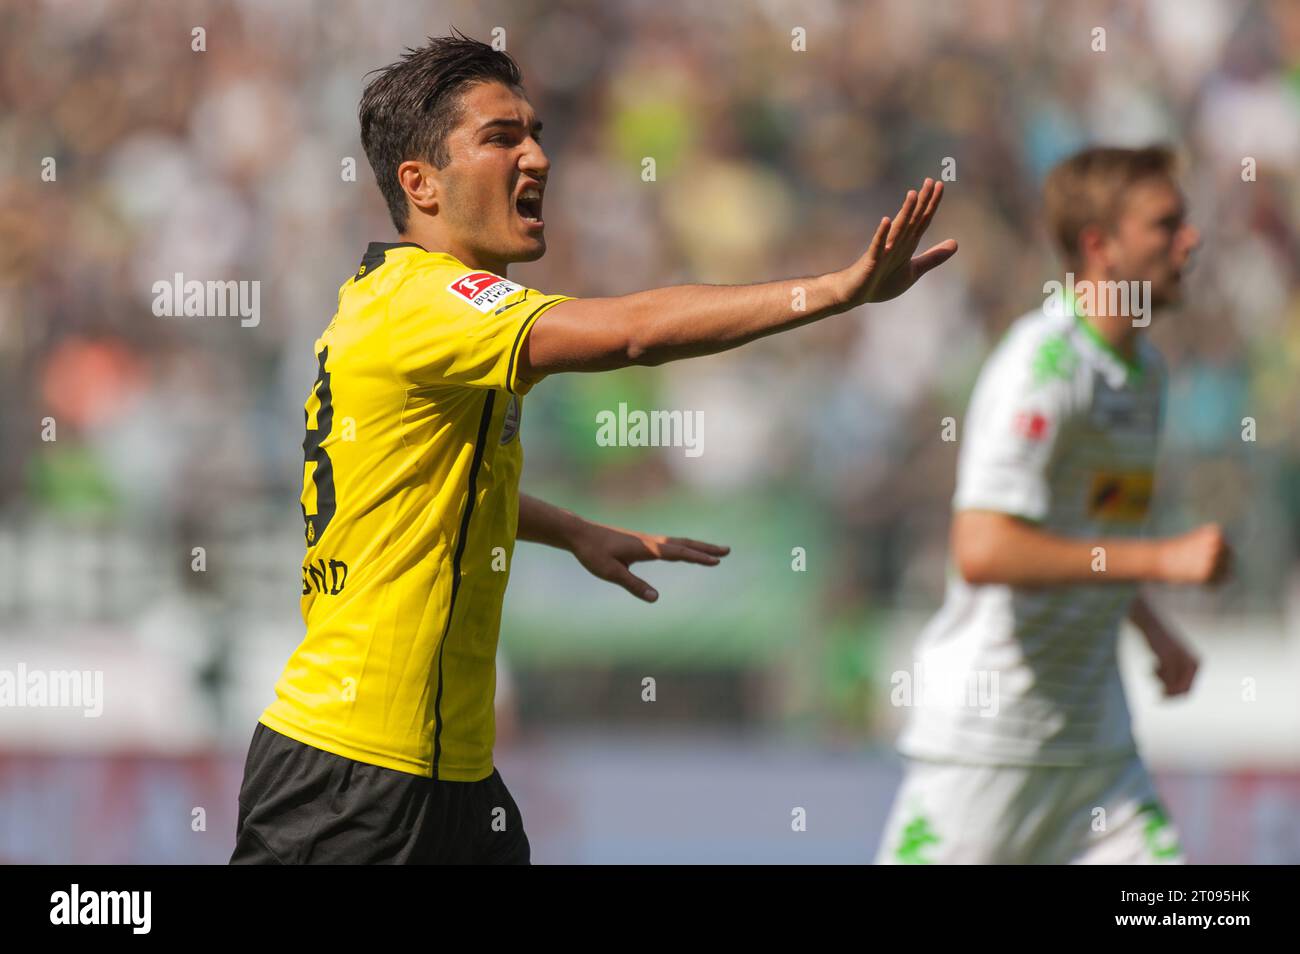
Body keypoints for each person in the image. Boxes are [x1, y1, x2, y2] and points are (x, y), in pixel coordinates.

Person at [231, 31, 955, 864]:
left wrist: (567, 528)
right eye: (500, 139)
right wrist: (834, 290)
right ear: (420, 183)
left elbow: (415, 492)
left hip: (451, 776)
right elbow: (634, 335)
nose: (536, 158)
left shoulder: (401, 308)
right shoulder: (425, 306)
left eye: (535, 133)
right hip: (350, 776)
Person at [876, 145, 1228, 865]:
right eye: (1166, 225)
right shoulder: (1040, 368)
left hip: (1095, 747)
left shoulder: (1146, 374)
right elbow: (983, 549)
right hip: (989, 744)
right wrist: (1161, 559)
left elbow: (1085, 533)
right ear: (1100, 246)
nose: (1189, 241)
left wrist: (1151, 627)